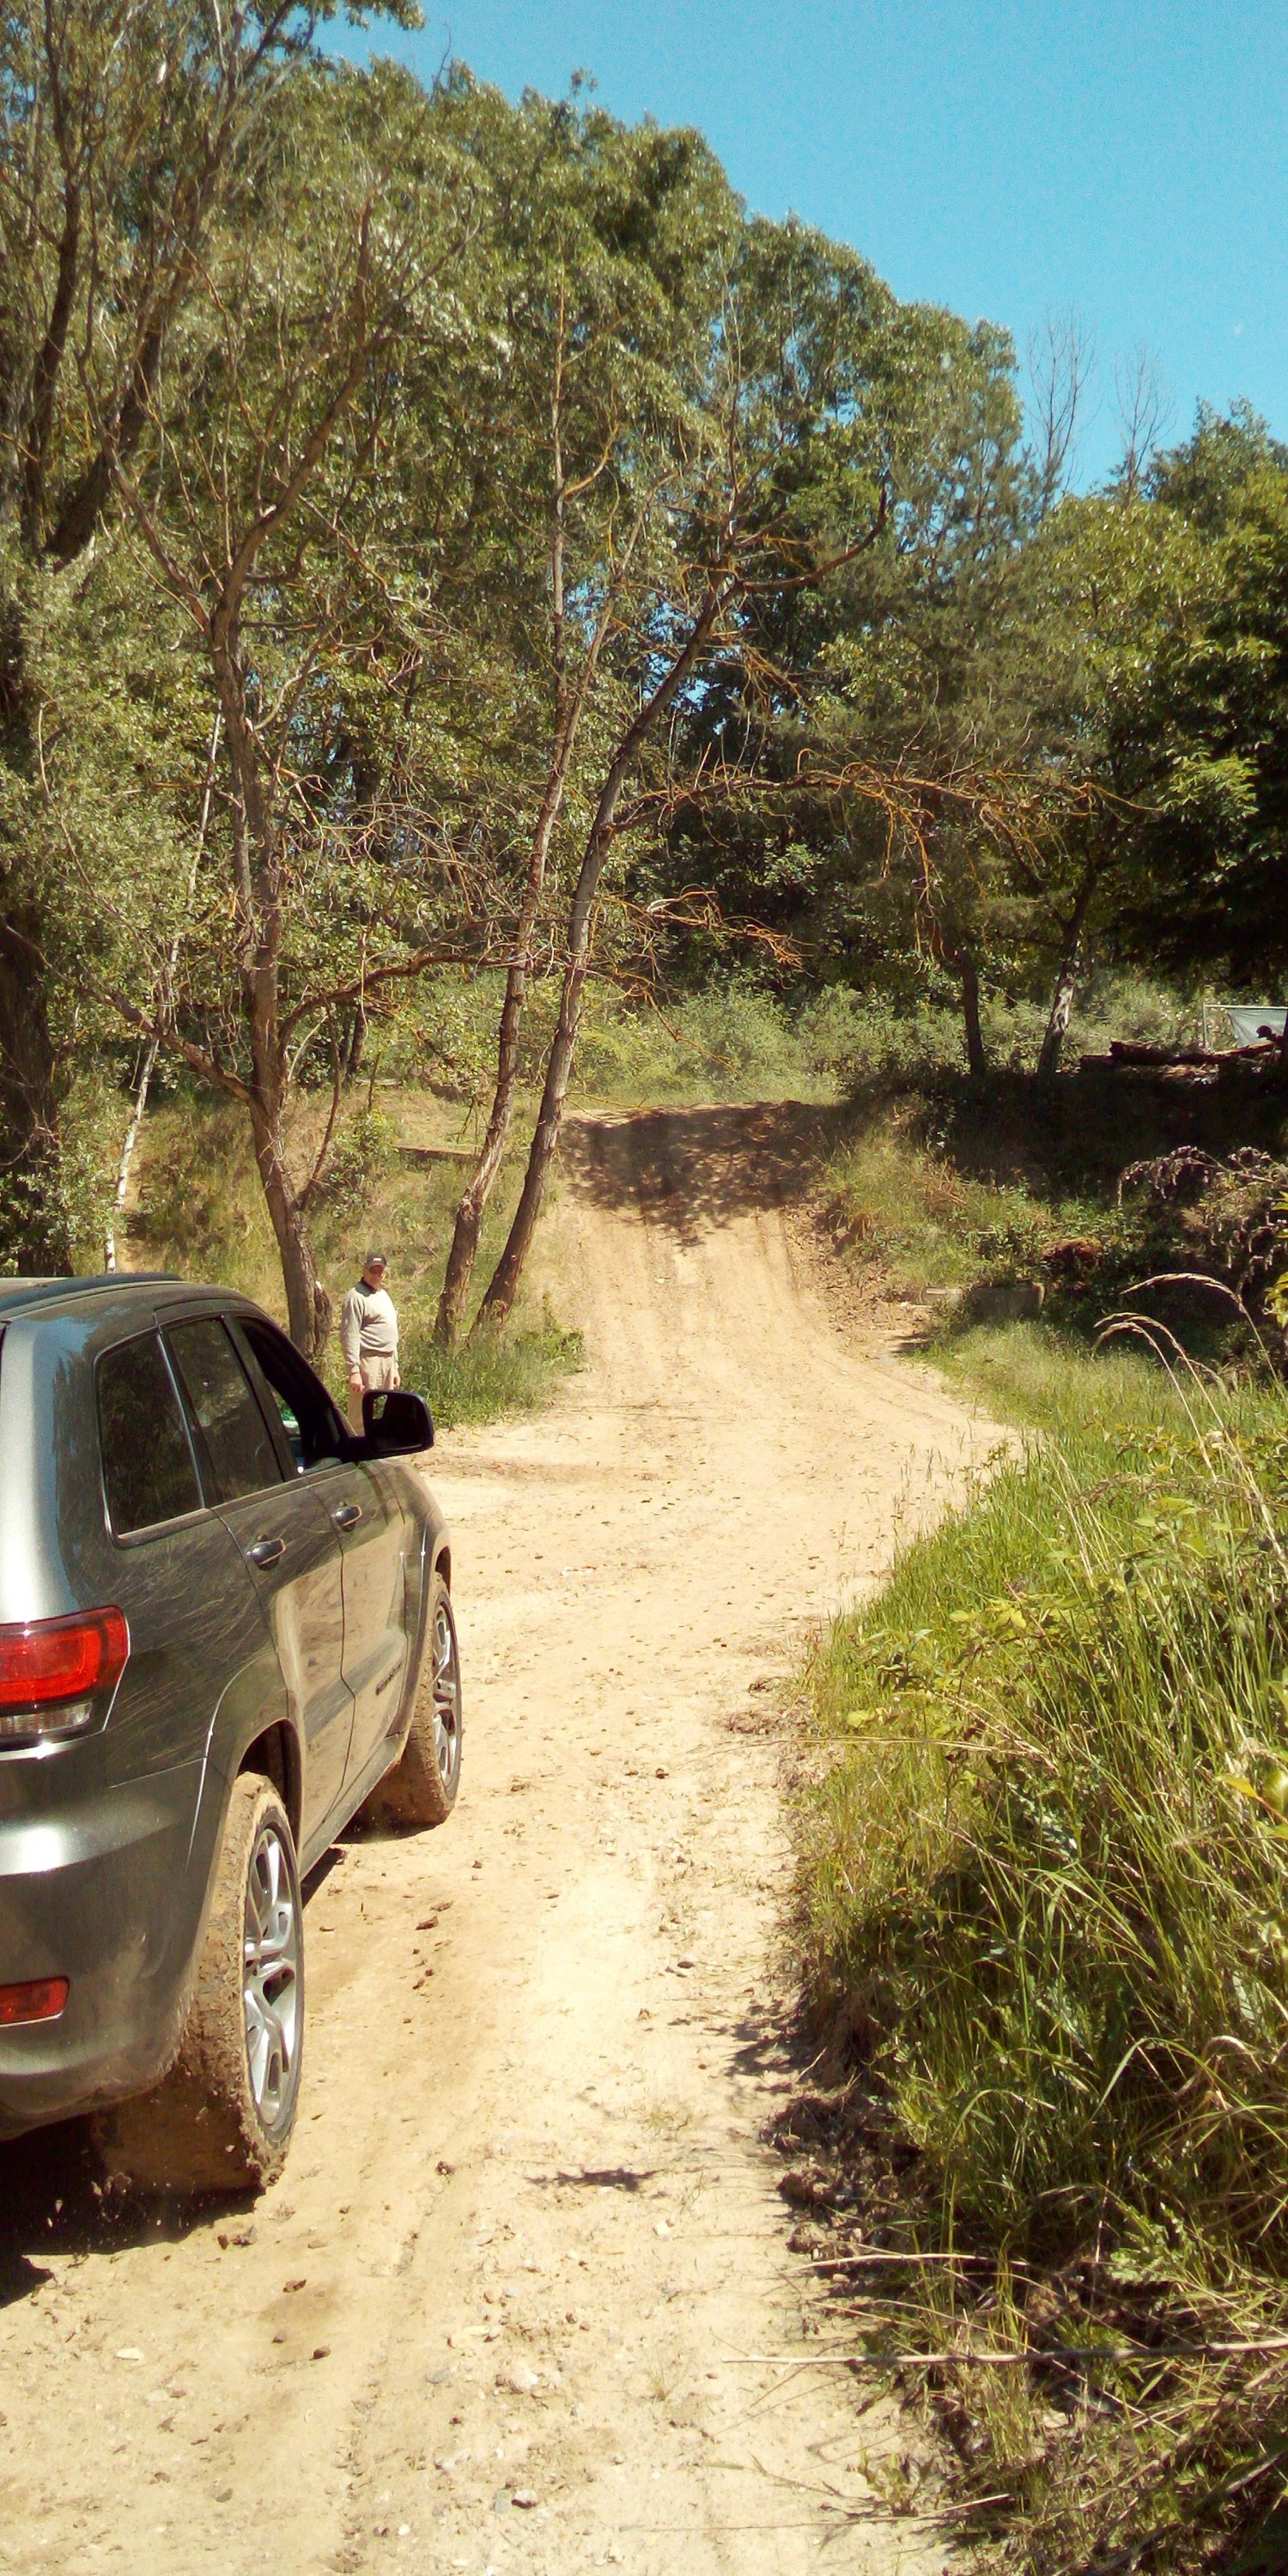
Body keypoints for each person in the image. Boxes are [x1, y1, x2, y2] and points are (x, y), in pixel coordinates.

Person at [339, 1252, 400, 1432]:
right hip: (368, 1360)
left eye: (380, 1271)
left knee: (385, 1411)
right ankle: (356, 1449)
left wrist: (395, 1365)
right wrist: (354, 1371)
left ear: (385, 1273)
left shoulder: (384, 1296)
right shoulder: (355, 1296)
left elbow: (392, 1332)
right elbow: (350, 1334)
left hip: (387, 1360)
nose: (376, 1275)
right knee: (361, 1413)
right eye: (372, 1270)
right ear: (364, 1270)